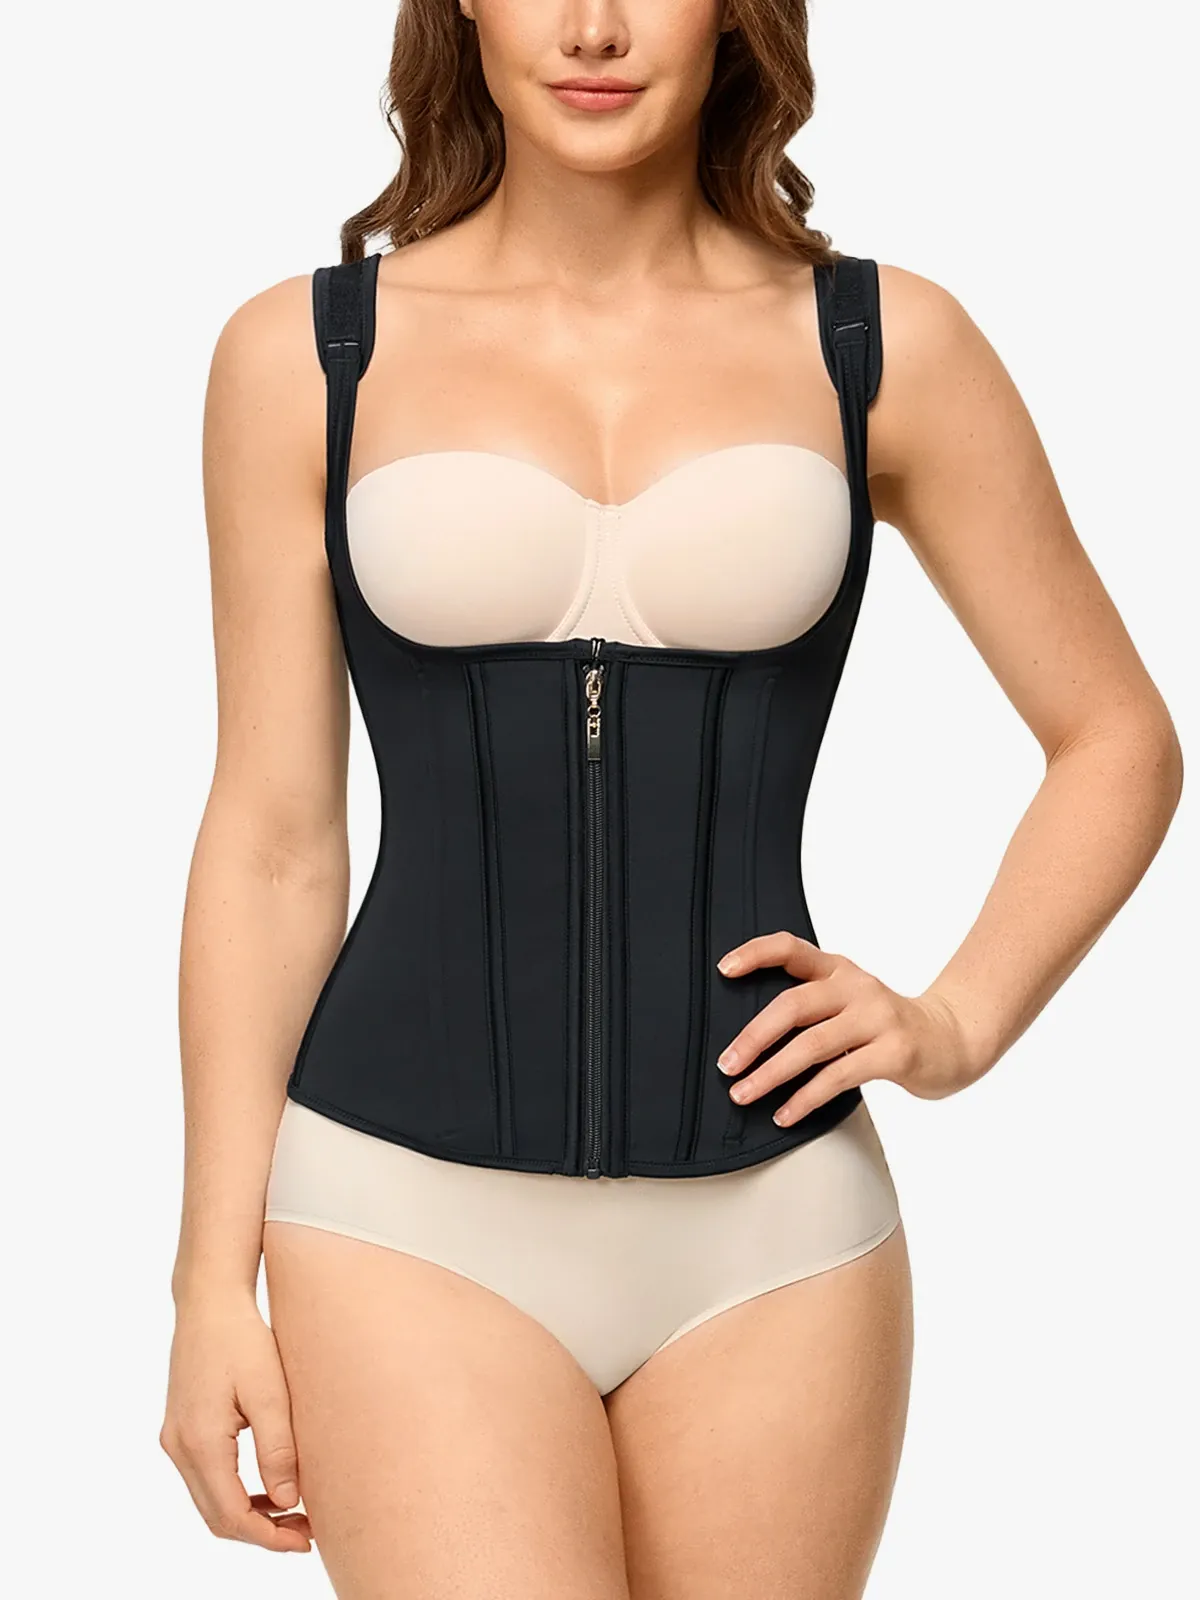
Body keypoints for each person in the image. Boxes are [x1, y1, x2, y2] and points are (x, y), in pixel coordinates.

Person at [159, 2, 1183, 1596]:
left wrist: (957, 1022)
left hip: (779, 1234)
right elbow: (275, 843)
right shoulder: (306, 356)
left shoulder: (879, 345)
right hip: (399, 1212)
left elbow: (1116, 737)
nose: (594, 28)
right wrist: (208, 1283)